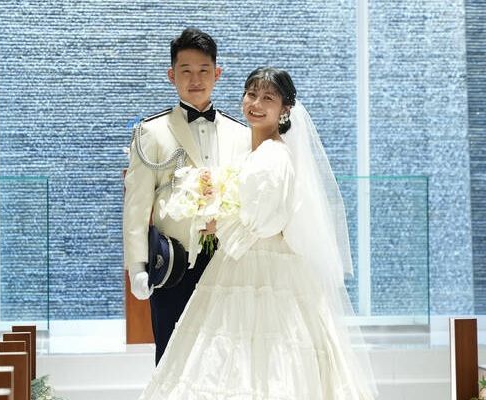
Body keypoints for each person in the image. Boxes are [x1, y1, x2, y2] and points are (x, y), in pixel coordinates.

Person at [137, 67, 378, 399]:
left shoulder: (274, 155)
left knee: (260, 356)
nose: (256, 104)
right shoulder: (253, 150)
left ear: (285, 110)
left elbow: (265, 221)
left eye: (268, 98)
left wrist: (217, 222)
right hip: (241, 257)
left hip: (262, 262)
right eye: (251, 94)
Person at [123, 28, 250, 364]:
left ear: (217, 73)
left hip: (228, 264)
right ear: (172, 75)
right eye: (186, 71)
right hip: (174, 264)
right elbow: (136, 206)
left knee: (226, 359)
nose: (196, 80)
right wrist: (137, 266)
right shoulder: (151, 131)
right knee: (171, 357)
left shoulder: (241, 134)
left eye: (204, 70)